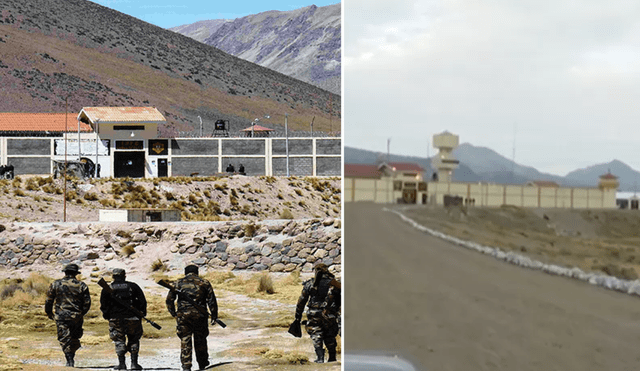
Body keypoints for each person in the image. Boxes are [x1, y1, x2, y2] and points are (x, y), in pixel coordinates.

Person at [166, 265, 218, 371]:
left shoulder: (178, 283)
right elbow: (211, 300)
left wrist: (174, 313)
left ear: (185, 272)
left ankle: (186, 366)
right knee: (200, 339)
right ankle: (202, 364)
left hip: (183, 316)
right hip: (200, 316)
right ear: (197, 272)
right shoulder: (204, 282)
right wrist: (214, 315)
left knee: (185, 339)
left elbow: (169, 300)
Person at [45, 263, 91, 367]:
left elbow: (49, 300)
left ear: (65, 272)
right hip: (76, 316)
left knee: (64, 338)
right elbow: (87, 303)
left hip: (61, 316)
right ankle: (71, 358)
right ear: (76, 273)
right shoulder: (82, 285)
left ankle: (69, 360)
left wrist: (49, 313)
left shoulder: (56, 284)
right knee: (75, 337)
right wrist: (80, 313)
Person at [100, 268, 147, 370]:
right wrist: (141, 314)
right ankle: (134, 364)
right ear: (124, 276)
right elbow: (142, 301)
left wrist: (108, 316)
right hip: (133, 318)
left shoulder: (108, 288)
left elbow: (104, 305)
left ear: (113, 277)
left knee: (119, 340)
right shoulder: (133, 286)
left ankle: (122, 364)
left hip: (116, 319)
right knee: (134, 339)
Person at [294, 263, 341, 363]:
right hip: (330, 314)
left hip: (314, 314)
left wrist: (297, 317)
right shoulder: (335, 284)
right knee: (330, 335)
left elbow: (301, 301)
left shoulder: (310, 284)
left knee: (316, 334)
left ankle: (320, 358)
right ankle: (332, 357)